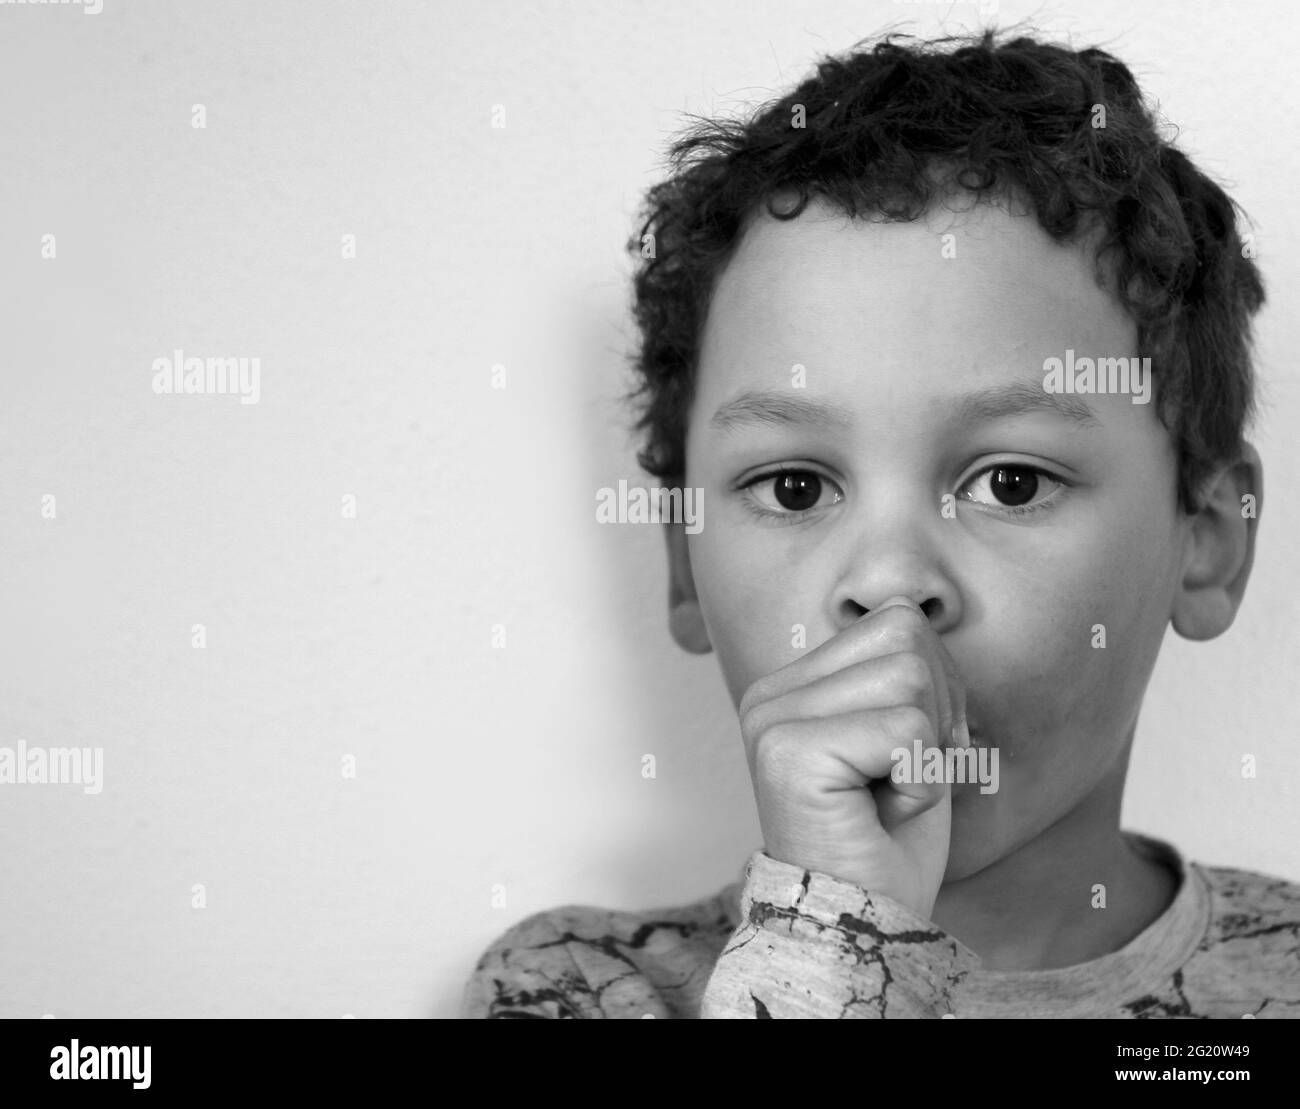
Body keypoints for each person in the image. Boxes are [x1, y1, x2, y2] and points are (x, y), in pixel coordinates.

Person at [463, 28, 1300, 1018]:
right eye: (794, 489)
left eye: (1014, 482)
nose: (892, 579)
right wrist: (833, 938)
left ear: (1204, 540)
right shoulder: (583, 985)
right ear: (684, 564)